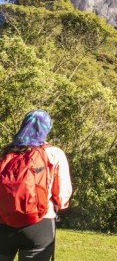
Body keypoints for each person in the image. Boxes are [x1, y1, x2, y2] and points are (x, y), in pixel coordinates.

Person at [0, 109, 72, 261]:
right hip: (39, 223)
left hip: (3, 221)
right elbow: (62, 196)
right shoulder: (54, 153)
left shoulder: (6, 152)